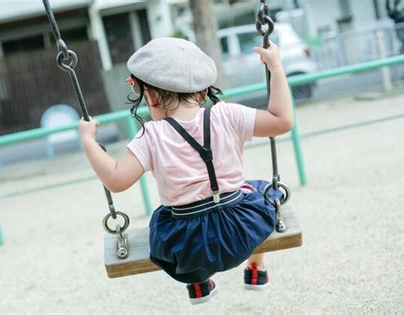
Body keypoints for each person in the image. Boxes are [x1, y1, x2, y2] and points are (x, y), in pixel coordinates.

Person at [78, 37, 293, 305]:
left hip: (187, 247)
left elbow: (116, 180)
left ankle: (198, 283)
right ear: (202, 93)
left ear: (152, 96)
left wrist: (88, 140)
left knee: (164, 214)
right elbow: (282, 121)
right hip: (241, 230)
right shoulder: (227, 115)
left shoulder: (151, 136)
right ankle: (256, 268)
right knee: (259, 190)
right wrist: (276, 67)